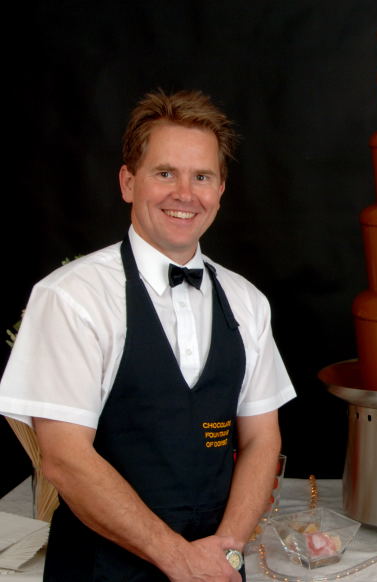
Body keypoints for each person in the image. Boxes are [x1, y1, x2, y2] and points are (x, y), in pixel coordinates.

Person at [0, 89, 296, 581]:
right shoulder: (72, 297)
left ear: (221, 189)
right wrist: (180, 559)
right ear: (128, 182)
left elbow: (263, 438)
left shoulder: (248, 301)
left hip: (216, 566)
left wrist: (225, 552)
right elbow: (65, 459)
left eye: (202, 176)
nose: (185, 193)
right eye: (165, 173)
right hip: (101, 569)